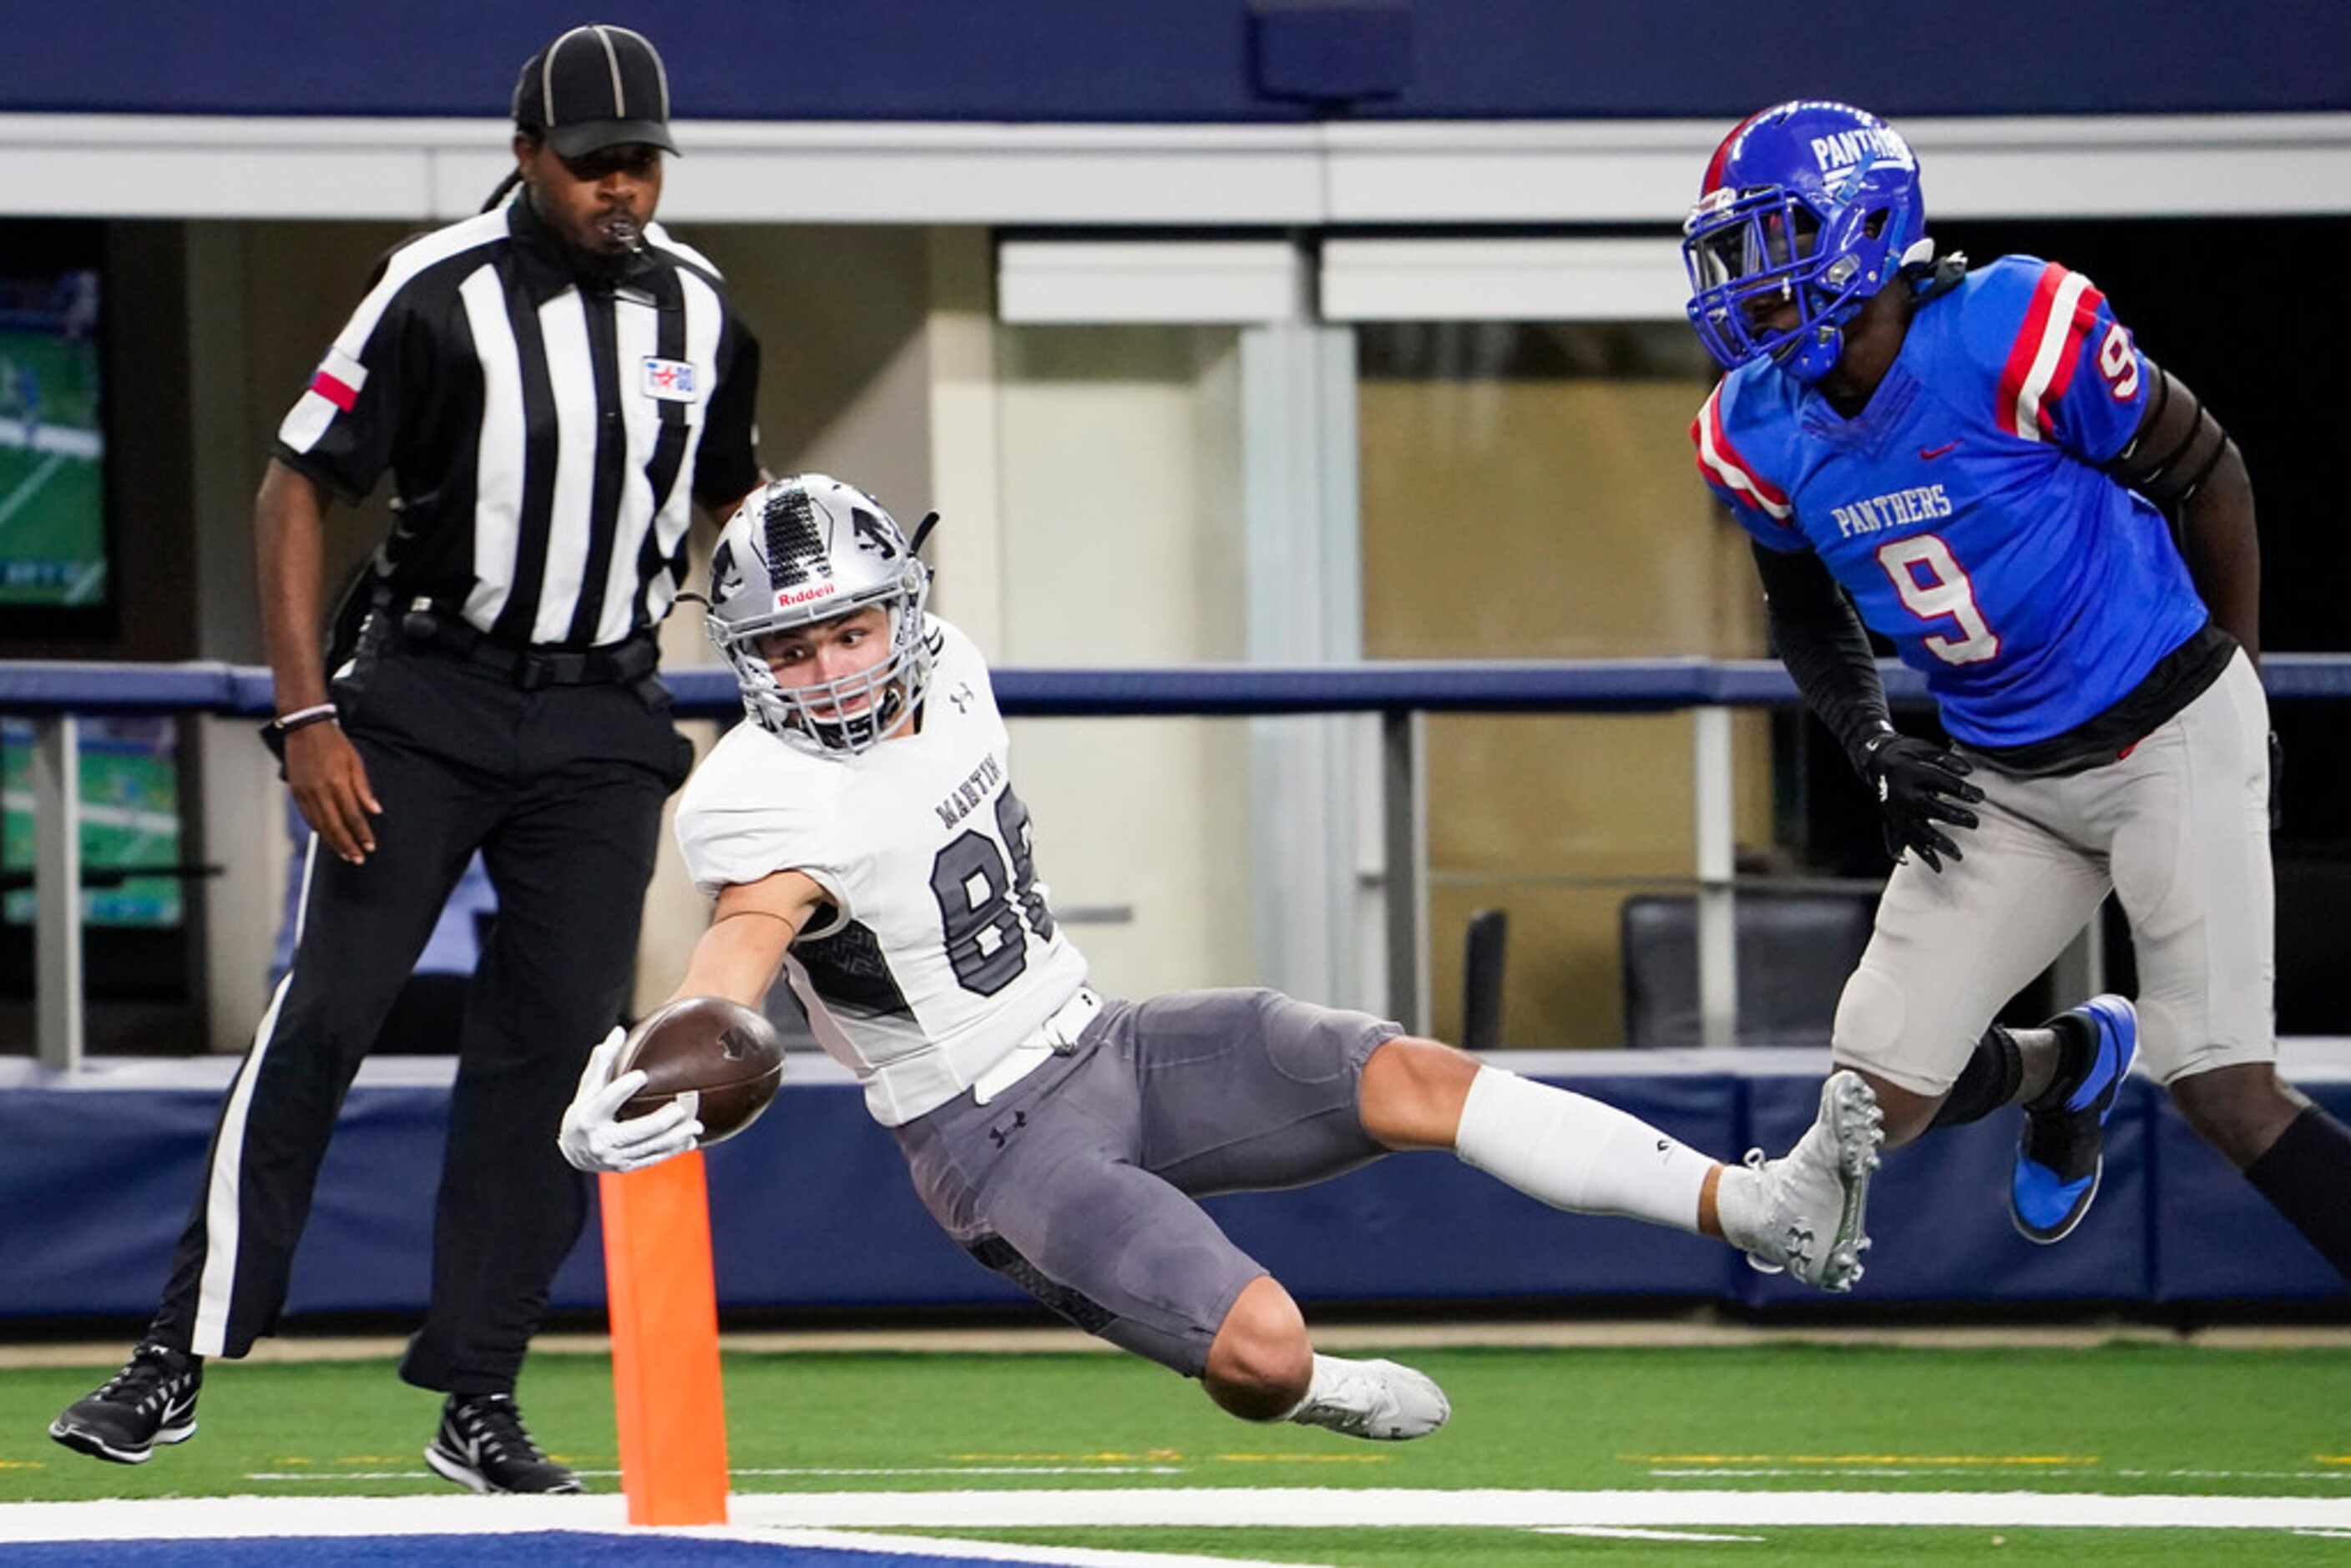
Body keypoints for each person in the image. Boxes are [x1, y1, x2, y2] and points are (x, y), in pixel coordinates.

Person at [555, 473, 1884, 1437]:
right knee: (1262, 1350)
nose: (836, 671)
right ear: (745, 662)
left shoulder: (950, 664)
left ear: (905, 609)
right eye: (795, 649)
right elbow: (743, 939)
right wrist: (659, 1066)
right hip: (995, 1133)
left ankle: (1759, 1208)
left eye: (852, 631)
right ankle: (1325, 1396)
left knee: (1408, 1070)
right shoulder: (758, 794)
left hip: (1106, 1035)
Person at [49, 24, 766, 1491]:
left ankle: (480, 1391)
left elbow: (738, 500)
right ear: (526, 157)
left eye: (640, 163)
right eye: (592, 166)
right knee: (327, 1013)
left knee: (563, 1061)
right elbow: (295, 485)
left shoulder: (699, 308)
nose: (620, 192)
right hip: (427, 694)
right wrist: (309, 715)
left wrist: (786, 667)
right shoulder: (434, 289)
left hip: (600, 719)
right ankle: (175, 1351)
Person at [1680, 100, 2351, 1277]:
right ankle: (2065, 1067)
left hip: (2165, 732)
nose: (1752, 285)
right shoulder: (1755, 427)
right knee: (1871, 1098)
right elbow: (1799, 606)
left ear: (1863, 227)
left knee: (2224, 1088)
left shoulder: (2007, 328)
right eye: (1737, 255)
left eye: (1774, 244)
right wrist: (1874, 739)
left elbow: (2209, 468)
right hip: (2003, 770)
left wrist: (2238, 687)